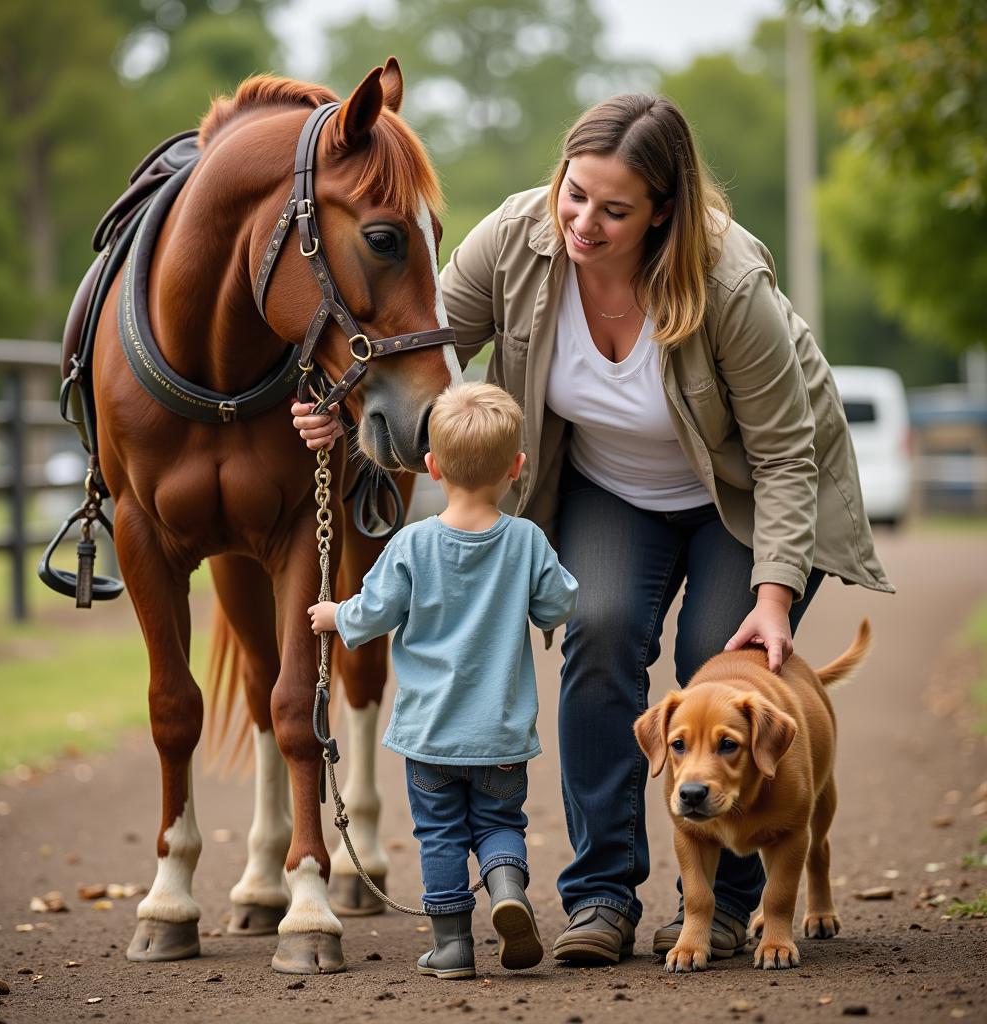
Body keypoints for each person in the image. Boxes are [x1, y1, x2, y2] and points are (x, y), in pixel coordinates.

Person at [295, 93, 892, 966]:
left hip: (744, 493)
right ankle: (602, 896)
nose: (583, 222)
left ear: (664, 211)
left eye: (614, 210)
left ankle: (728, 905)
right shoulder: (513, 242)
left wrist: (774, 599)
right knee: (601, 634)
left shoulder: (726, 280)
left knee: (718, 669)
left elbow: (786, 453)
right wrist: (342, 413)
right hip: (614, 487)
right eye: (575, 193)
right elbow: (415, 347)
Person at [307, 382, 579, 980]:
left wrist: (334, 616)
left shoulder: (412, 543)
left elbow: (373, 612)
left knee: (440, 835)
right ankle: (507, 889)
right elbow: (558, 605)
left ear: (430, 466)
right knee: (501, 825)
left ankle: (454, 946)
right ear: (516, 467)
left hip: (430, 735)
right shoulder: (527, 541)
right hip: (502, 736)